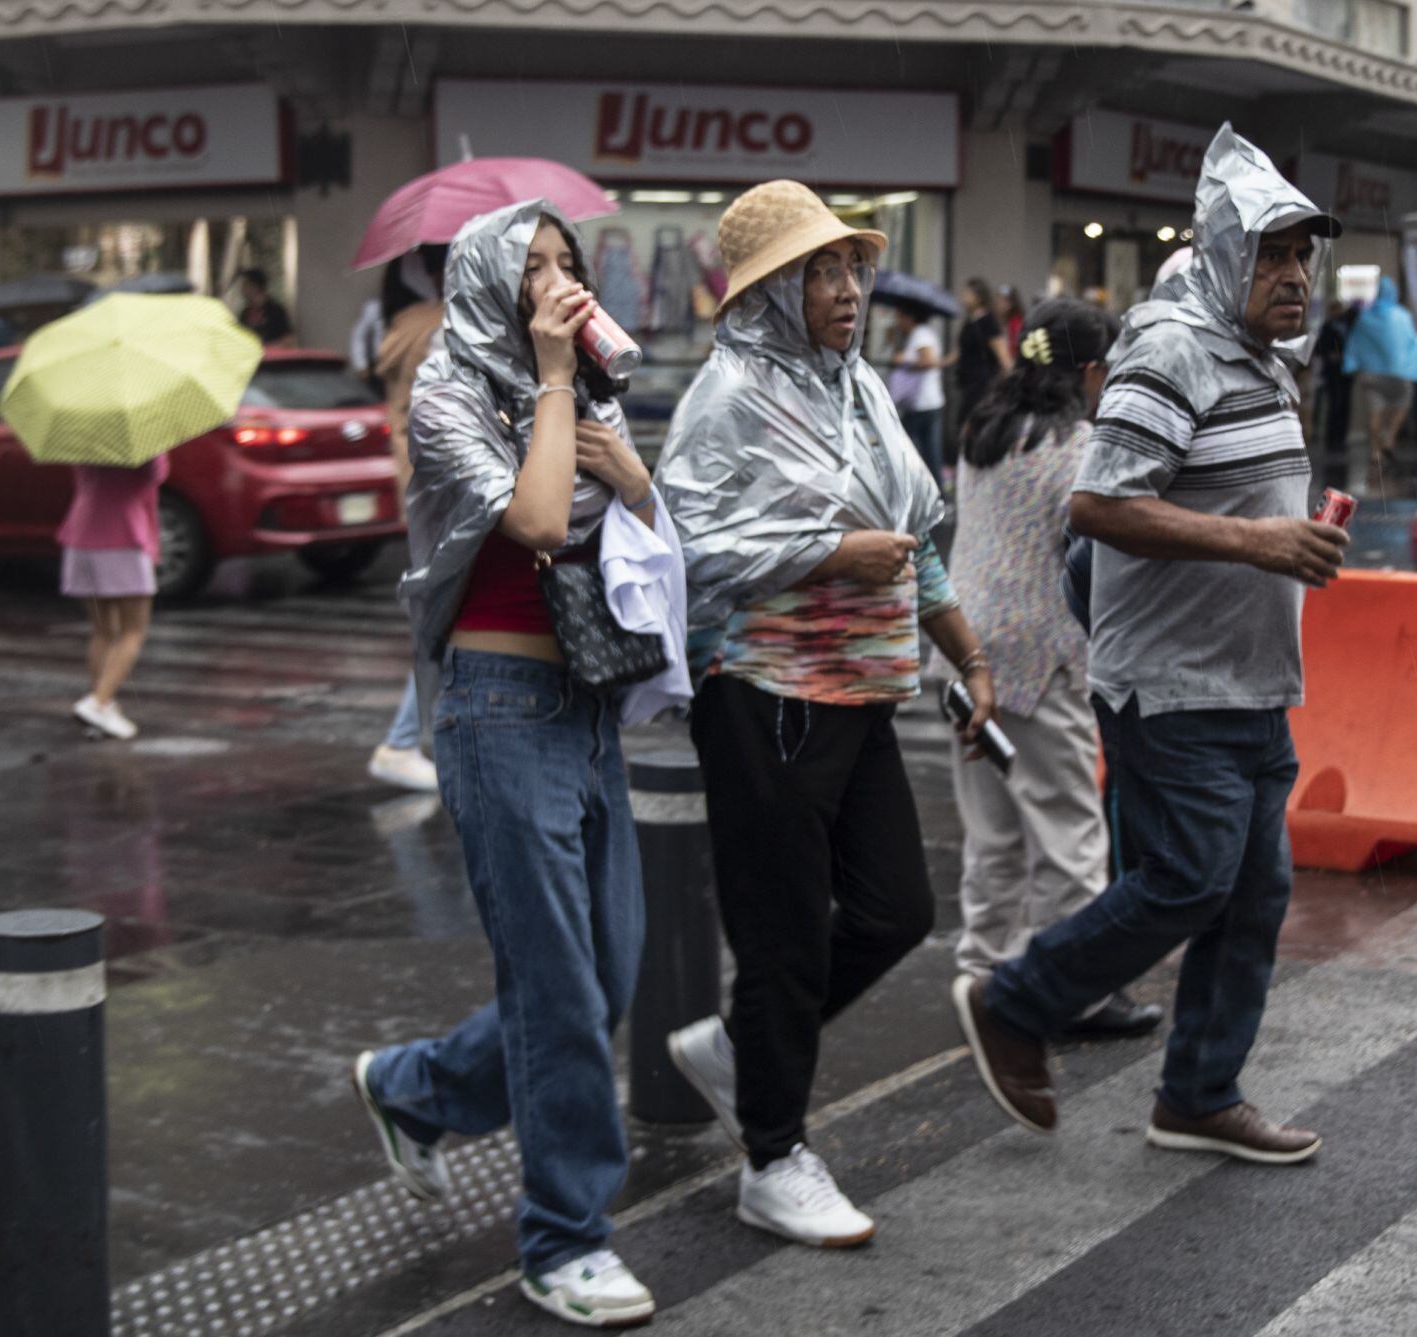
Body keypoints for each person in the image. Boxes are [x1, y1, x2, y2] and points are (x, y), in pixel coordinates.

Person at [952, 124, 1350, 1165]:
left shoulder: (1264, 364)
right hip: (1171, 689)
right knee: (1187, 877)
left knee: (1249, 893)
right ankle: (1017, 999)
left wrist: (1294, 527)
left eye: (1302, 254)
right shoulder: (1170, 347)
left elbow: (1231, 491)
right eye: (1271, 253)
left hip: (1253, 682)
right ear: (1222, 254)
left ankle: (1198, 1092)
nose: (1293, 275)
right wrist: (1262, 538)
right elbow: (1098, 503)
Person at [658, 180, 1001, 1248]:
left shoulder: (854, 390)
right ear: (769, 292)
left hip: (859, 691)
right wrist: (825, 550)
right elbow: (693, 548)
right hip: (762, 695)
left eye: (854, 267)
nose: (851, 288)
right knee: (785, 938)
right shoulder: (726, 401)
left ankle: (736, 1047)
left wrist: (968, 650)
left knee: (895, 909)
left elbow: (912, 535)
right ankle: (772, 1155)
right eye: (825, 271)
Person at [352, 201, 659, 1328]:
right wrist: (548, 378)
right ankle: (566, 1237)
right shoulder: (445, 394)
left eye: (565, 264)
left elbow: (643, 517)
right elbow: (534, 520)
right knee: (559, 988)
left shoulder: (591, 387)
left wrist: (628, 467)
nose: (554, 283)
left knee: (608, 971)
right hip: (495, 703)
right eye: (530, 267)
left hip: (588, 702)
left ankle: (414, 1087)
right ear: (486, 281)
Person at [939, 297, 1162, 1039]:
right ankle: (1077, 991)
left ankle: (984, 973)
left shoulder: (985, 427)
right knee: (1069, 833)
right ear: (1092, 369)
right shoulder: (1079, 445)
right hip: (1042, 653)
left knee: (994, 830)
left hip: (965, 647)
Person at [367, 249, 449, 794]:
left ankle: (416, 740)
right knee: (441, 621)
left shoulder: (402, 326)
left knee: (443, 618)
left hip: (418, 486)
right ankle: (399, 742)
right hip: (442, 489)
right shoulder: (442, 327)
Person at [58, 454, 170, 742]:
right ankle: (97, 703)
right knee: (133, 630)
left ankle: (101, 706)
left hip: (81, 539)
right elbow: (155, 475)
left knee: (103, 631)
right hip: (122, 541)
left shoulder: (81, 436)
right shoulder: (140, 443)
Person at [1343, 276, 1417, 487]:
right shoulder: (1402, 316)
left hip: (1371, 374)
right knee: (1403, 403)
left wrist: (1350, 365)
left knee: (1374, 411)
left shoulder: (1365, 316)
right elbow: (1413, 343)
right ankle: (1390, 437)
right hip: (1398, 373)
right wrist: (1416, 368)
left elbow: (1354, 343)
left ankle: (1375, 452)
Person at [886, 305, 946, 482]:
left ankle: (930, 492)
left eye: (899, 316)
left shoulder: (921, 333)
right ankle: (937, 493)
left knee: (912, 450)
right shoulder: (921, 333)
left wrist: (903, 359)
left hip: (923, 403)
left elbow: (929, 360)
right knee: (928, 451)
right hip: (926, 402)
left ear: (909, 317)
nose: (898, 321)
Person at [954, 277, 1013, 426]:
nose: (963, 297)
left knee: (974, 426)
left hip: (983, 385)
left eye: (967, 293)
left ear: (978, 297)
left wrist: (1013, 383)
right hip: (969, 384)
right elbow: (958, 352)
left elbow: (1003, 357)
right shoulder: (969, 322)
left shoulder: (988, 321)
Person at [1312, 301, 1358, 489]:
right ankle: (1332, 438)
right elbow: (1320, 348)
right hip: (1333, 372)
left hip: (1345, 372)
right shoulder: (1328, 327)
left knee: (1343, 405)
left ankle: (1340, 437)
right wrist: (1331, 355)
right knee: (1335, 404)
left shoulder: (1348, 325)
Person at [235, 269, 295, 348]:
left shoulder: (275, 311)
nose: (242, 289)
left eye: (245, 284)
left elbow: (289, 339)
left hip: (272, 358)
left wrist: (268, 348)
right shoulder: (244, 314)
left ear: (255, 286)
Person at [995, 284, 1026, 361]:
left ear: (1011, 304)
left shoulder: (1016, 322)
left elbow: (1016, 347)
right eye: (997, 301)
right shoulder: (1004, 321)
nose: (998, 305)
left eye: (1002, 301)